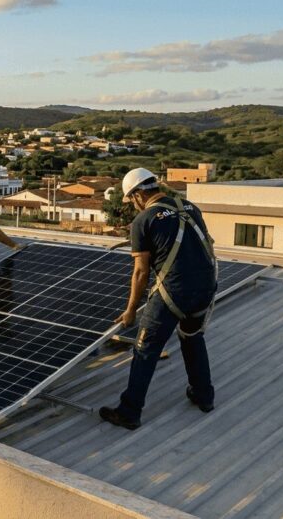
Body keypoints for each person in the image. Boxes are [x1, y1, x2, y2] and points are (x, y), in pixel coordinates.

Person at [100, 168, 218, 430]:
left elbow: (141, 271)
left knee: (146, 349)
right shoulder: (190, 207)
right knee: (192, 337)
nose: (132, 206)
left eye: (131, 200)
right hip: (205, 287)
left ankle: (129, 411)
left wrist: (131, 310)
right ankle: (204, 396)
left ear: (140, 194)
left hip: (174, 291)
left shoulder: (144, 220)